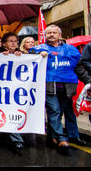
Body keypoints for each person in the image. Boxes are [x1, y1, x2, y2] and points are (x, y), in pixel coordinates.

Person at [29, 24, 86, 153]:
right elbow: (28, 58)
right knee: (54, 111)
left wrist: (89, 81)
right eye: (48, 33)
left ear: (59, 35)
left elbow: (77, 68)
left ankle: (53, 137)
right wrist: (37, 54)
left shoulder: (71, 50)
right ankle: (61, 139)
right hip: (49, 87)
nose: (51, 35)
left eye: (54, 33)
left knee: (63, 112)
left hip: (67, 87)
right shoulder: (39, 49)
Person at [0, 32, 26, 154]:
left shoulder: (22, 55)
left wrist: (22, 56)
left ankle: (17, 140)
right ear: (5, 43)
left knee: (12, 113)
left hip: (16, 91)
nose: (13, 43)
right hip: (0, 90)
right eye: (10, 41)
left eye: (15, 41)